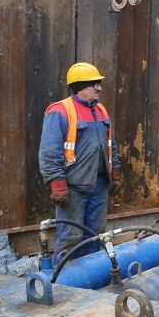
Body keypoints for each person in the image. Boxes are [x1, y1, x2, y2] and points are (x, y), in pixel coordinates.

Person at [39, 63, 122, 263]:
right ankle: (66, 284)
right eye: (95, 84)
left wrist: (115, 172)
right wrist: (58, 185)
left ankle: (91, 281)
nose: (99, 88)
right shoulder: (60, 111)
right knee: (71, 238)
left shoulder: (100, 110)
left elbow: (111, 143)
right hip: (73, 187)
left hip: (99, 184)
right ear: (80, 86)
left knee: (96, 235)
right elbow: (50, 151)